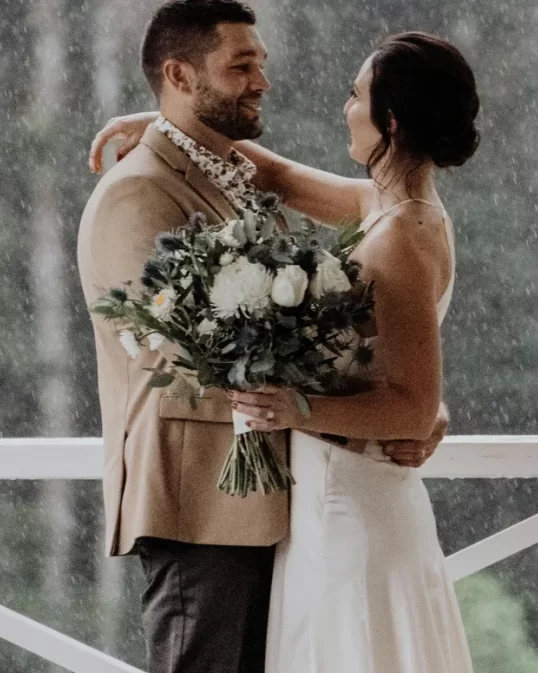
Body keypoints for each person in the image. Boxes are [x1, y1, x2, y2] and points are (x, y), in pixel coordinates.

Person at [78, 2, 446, 671]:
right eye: (241, 65)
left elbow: (337, 207)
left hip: (280, 500)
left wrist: (406, 400)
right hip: (199, 505)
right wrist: (387, 404)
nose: (261, 81)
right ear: (180, 76)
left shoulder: (243, 178)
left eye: (261, 64)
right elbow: (182, 362)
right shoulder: (136, 194)